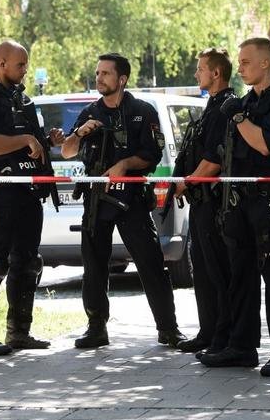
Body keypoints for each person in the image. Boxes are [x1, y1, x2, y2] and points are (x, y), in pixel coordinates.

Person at [60, 53, 186, 349]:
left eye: (105, 73)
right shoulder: (90, 112)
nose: (99, 77)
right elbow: (67, 151)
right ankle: (96, 328)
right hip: (97, 200)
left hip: (131, 200)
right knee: (94, 266)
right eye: (98, 72)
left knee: (151, 263)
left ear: (122, 79)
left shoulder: (142, 110)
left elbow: (152, 155)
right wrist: (80, 133)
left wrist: (126, 164)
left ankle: (168, 329)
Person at [200, 38, 270, 376]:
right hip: (239, 202)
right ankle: (241, 348)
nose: (241, 67)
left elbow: (263, 145)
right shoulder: (245, 103)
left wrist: (240, 117)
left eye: (246, 62)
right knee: (240, 276)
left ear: (265, 63)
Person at [0, 40, 64, 356]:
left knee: (28, 263)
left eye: (26, 64)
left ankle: (19, 332)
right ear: (1, 63)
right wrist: (25, 139)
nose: (25, 70)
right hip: (2, 191)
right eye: (20, 65)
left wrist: (47, 142)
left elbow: (30, 145)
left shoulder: (24, 100)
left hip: (30, 192)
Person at [173, 48, 234, 358]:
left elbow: (213, 161)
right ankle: (208, 332)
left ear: (216, 73)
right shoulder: (211, 106)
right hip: (200, 203)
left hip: (213, 204)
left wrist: (187, 182)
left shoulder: (225, 107)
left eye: (200, 69)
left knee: (217, 271)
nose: (196, 74)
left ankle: (223, 338)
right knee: (203, 271)